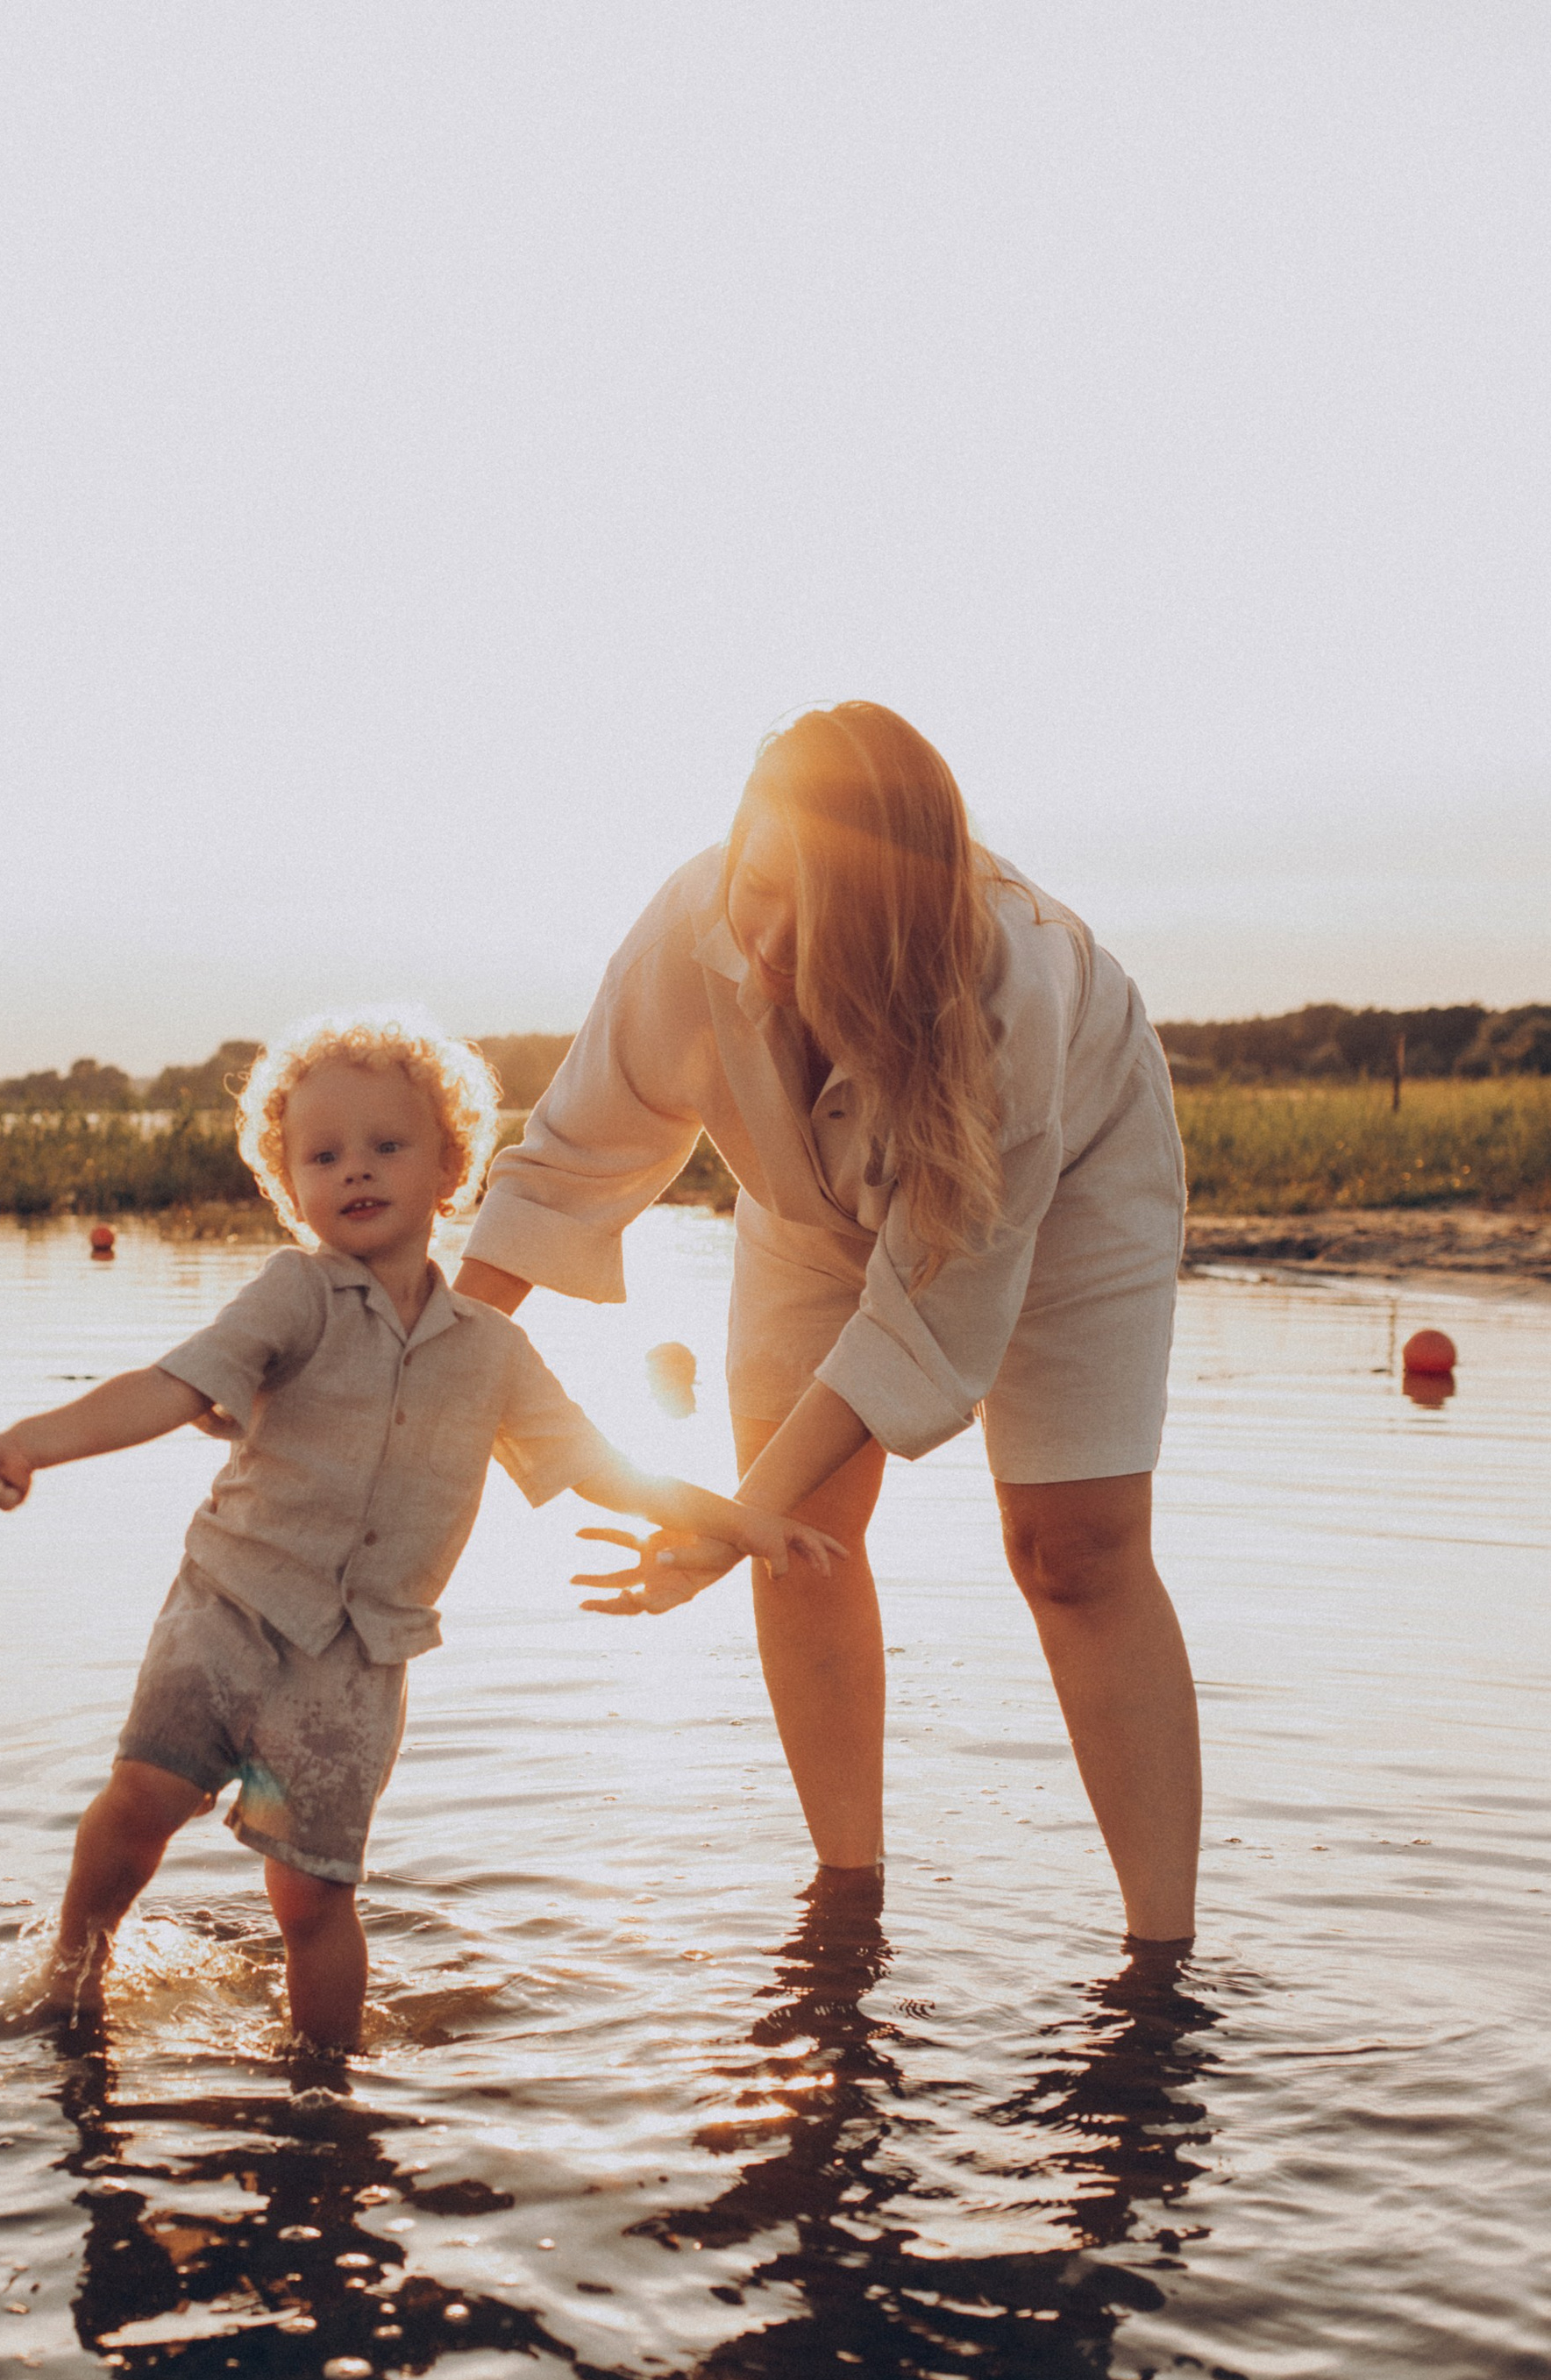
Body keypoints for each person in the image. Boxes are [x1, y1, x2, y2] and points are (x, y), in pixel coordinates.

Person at [457, 702, 1200, 1947]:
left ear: (900, 924)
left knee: (1071, 1550)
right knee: (803, 1537)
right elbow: (566, 1164)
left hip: (1066, 1177)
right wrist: (417, 1359)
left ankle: (1159, 1964)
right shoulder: (688, 924)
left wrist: (725, 1526)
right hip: (807, 1205)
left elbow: (920, 1327)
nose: (763, 950)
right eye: (756, 888)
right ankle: (845, 1915)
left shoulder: (1013, 991)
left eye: (818, 925)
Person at [0, 1009, 822, 2045]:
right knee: (143, 1798)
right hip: (227, 1615)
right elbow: (175, 1387)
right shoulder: (295, 1297)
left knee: (313, 1895)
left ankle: (324, 2086)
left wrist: (745, 1521)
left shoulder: (491, 1350)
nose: (354, 1169)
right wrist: (31, 1444)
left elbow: (599, 1468)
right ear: (290, 1186)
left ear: (450, 1168)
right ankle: (74, 1972)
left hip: (359, 1662)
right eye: (322, 1157)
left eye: (386, 1146)